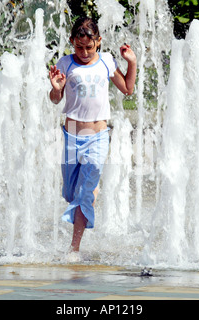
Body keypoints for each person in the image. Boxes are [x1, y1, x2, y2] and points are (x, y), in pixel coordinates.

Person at [49, 17, 137, 254]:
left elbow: (128, 89)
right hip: (73, 133)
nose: (85, 52)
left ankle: (74, 249)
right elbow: (56, 99)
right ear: (72, 42)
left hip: (98, 135)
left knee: (86, 191)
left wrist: (132, 63)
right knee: (70, 193)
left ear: (98, 42)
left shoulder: (107, 61)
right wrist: (56, 89)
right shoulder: (66, 63)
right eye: (79, 47)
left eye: (89, 47)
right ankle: (87, 193)